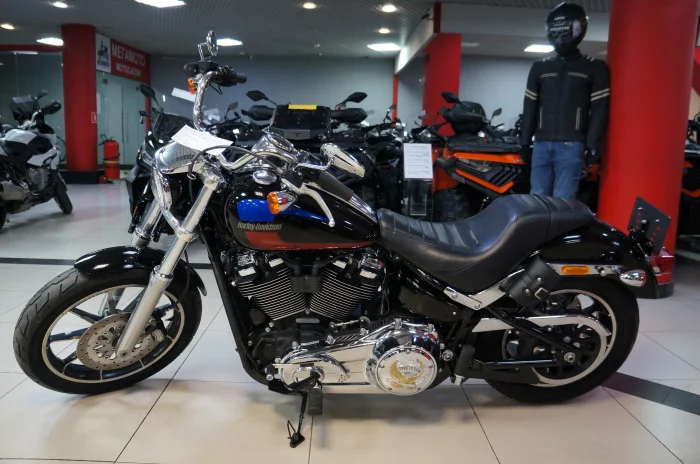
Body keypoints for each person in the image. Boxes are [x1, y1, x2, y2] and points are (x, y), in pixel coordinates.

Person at [520, 2, 610, 199]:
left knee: (563, 200)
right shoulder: (540, 68)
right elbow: (530, 108)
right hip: (542, 143)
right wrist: (524, 141)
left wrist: (593, 145)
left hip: (572, 145)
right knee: (537, 199)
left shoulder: (594, 68)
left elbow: (599, 110)